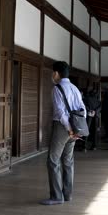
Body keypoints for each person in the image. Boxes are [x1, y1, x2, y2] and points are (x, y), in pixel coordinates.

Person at [41, 61, 86, 205]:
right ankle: (67, 195)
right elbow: (83, 109)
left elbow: (60, 112)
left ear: (56, 73)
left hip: (62, 127)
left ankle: (56, 197)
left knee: (53, 160)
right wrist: (76, 129)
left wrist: (69, 129)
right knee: (68, 161)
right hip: (74, 127)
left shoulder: (57, 89)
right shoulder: (74, 88)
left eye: (52, 72)